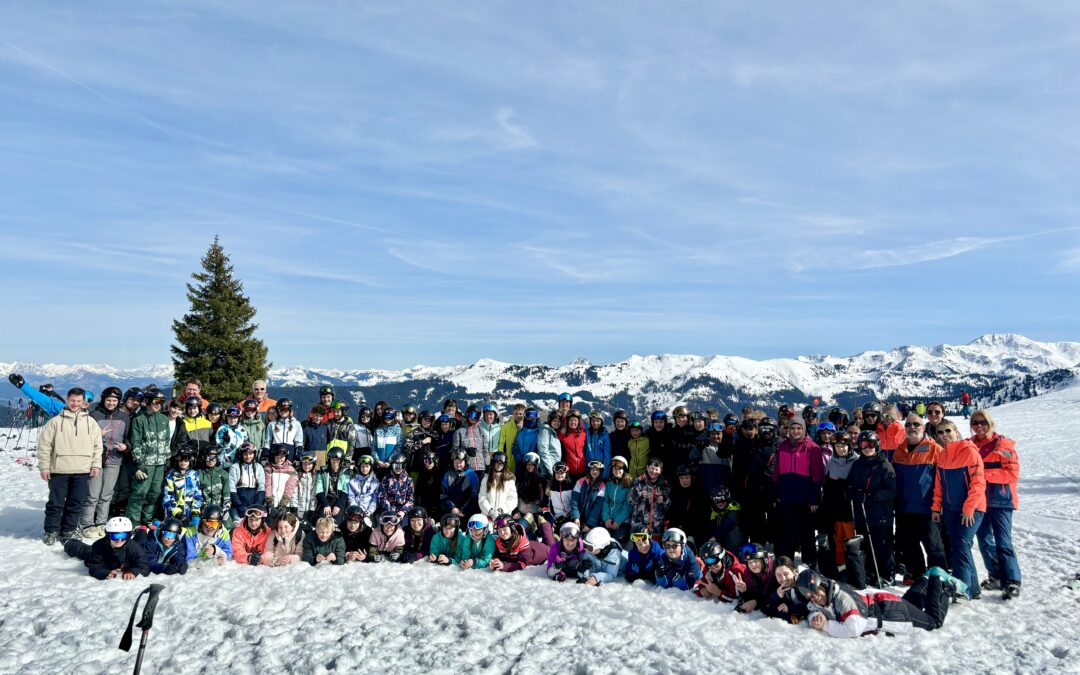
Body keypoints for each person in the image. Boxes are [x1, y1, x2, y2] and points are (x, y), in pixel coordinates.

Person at [797, 569, 950, 638]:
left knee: (933, 622)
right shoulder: (827, 595)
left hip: (894, 613)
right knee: (913, 604)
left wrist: (825, 625)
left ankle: (942, 582)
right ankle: (925, 580)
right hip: (885, 602)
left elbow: (853, 629)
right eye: (810, 595)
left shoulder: (842, 599)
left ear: (822, 586)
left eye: (816, 592)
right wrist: (815, 616)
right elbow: (813, 609)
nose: (815, 597)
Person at [37, 387, 103, 544]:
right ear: (67, 400)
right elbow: (44, 446)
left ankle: (69, 530)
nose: (75, 404)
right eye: (73, 400)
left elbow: (97, 446)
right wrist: (44, 467)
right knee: (56, 503)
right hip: (59, 469)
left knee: (76, 502)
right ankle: (52, 531)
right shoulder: (55, 422)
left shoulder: (90, 422)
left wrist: (96, 465)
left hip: (82, 469)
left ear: (83, 403)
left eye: (79, 401)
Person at [970, 410, 1022, 599]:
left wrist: (983, 476)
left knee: (1003, 541)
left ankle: (1012, 580)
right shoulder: (970, 445)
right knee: (984, 541)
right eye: (975, 423)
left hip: (1001, 499)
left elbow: (1011, 474)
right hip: (979, 500)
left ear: (990, 423)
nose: (979, 426)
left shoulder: (1003, 445)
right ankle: (996, 576)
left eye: (982, 422)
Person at [932, 420, 986, 600]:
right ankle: (973, 588)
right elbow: (939, 485)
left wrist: (969, 508)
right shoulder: (942, 455)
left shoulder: (970, 452)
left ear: (956, 431)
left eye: (948, 431)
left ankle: (962, 588)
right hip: (950, 509)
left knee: (962, 545)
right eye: (940, 433)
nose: (944, 435)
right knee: (959, 546)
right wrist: (936, 508)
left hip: (971, 509)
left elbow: (978, 483)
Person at [892, 414, 947, 583]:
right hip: (904, 508)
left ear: (923, 428)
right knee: (909, 543)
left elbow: (942, 480)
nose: (912, 427)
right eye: (908, 425)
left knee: (933, 545)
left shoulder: (935, 449)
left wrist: (938, 505)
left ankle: (939, 577)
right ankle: (916, 573)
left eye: (916, 424)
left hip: (928, 508)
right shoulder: (899, 450)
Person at [771, 417, 824, 568]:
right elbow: (776, 473)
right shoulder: (782, 447)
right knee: (788, 533)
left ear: (804, 429)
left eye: (799, 428)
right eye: (792, 428)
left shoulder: (813, 448)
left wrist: (814, 499)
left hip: (805, 500)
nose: (795, 431)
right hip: (787, 498)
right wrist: (775, 495)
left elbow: (817, 476)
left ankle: (810, 564)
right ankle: (787, 565)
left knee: (807, 534)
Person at [846, 430, 896, 587]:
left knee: (882, 545)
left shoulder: (884, 465)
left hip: (880, 514)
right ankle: (871, 571)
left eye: (871, 444)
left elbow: (891, 490)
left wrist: (872, 495)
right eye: (863, 445)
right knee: (866, 544)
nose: (867, 448)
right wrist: (854, 494)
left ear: (877, 445)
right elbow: (849, 486)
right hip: (862, 513)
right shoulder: (857, 465)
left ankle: (887, 573)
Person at [80, 387, 130, 539]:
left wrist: (126, 447)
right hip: (96, 459)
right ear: (103, 400)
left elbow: (127, 437)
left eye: (115, 400)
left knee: (107, 494)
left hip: (115, 459)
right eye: (108, 400)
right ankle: (87, 523)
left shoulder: (124, 417)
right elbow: (83, 438)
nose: (111, 403)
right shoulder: (94, 415)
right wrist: (97, 436)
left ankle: (102, 522)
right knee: (92, 494)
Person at [126, 392, 171, 526]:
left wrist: (167, 459)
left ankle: (146, 520)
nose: (158, 405)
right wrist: (139, 464)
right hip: (146, 463)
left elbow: (166, 440)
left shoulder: (163, 419)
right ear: (148, 402)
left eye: (161, 402)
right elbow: (136, 443)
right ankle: (133, 523)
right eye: (156, 401)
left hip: (160, 463)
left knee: (154, 493)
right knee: (140, 493)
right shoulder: (139, 420)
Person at [63, 516, 149, 580]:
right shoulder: (98, 546)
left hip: (123, 559)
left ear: (128, 536)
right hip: (103, 557)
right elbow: (95, 567)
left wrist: (133, 571)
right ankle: (69, 543)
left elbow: (144, 566)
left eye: (123, 535)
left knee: (140, 543)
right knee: (84, 551)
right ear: (108, 536)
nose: (119, 539)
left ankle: (141, 531)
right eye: (115, 536)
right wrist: (106, 573)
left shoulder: (134, 548)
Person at [821, 433, 857, 575]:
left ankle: (854, 565)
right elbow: (827, 484)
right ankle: (840, 564)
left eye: (843, 446)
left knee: (850, 539)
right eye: (837, 446)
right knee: (838, 538)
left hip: (849, 508)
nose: (841, 449)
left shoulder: (856, 461)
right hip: (835, 508)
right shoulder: (831, 461)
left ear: (848, 446)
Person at [666, 464, 711, 545]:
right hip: (677, 529)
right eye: (681, 478)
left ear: (692, 477)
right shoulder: (674, 492)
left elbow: (704, 516)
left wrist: (691, 533)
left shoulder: (700, 493)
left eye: (687, 477)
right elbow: (672, 513)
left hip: (695, 531)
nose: (684, 481)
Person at [490, 515, 555, 572]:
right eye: (499, 531)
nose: (502, 533)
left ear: (512, 528)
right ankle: (532, 530)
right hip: (531, 545)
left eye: (504, 529)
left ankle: (544, 523)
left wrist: (504, 566)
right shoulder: (499, 541)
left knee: (551, 547)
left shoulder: (522, 543)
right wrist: (495, 561)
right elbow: (497, 555)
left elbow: (521, 564)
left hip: (542, 551)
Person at [162, 448, 203, 526]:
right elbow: (167, 497)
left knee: (195, 526)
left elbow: (198, 495)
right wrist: (178, 514)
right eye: (181, 459)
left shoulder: (194, 475)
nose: (183, 462)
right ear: (177, 460)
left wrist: (195, 512)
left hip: (190, 514)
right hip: (174, 516)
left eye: (186, 459)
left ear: (190, 460)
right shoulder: (170, 476)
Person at [630, 458, 670, 538]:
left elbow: (669, 507)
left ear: (661, 470)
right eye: (651, 468)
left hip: (656, 527)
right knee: (639, 547)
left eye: (656, 469)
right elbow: (630, 501)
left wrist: (664, 500)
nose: (654, 471)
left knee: (654, 549)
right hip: (639, 525)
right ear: (647, 467)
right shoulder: (638, 481)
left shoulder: (665, 485)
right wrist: (639, 494)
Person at [229, 442, 267, 522]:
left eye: (250, 454)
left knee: (254, 524)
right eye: (245, 454)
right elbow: (232, 488)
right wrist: (239, 505)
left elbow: (261, 487)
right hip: (239, 499)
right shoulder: (234, 467)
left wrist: (258, 504)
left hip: (254, 499)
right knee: (240, 524)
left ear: (254, 454)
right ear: (241, 454)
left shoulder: (259, 467)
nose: (248, 456)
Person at [764, 556, 808, 624]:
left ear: (794, 571)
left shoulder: (804, 582)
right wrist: (777, 596)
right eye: (779, 575)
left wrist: (790, 607)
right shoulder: (775, 584)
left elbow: (809, 608)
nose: (783, 578)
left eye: (786, 574)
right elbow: (767, 607)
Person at [441, 449, 480, 518]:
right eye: (456, 462)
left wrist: (463, 510)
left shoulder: (471, 474)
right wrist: (452, 508)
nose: (458, 465)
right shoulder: (448, 474)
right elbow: (443, 495)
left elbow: (474, 495)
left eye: (461, 462)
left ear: (465, 462)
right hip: (451, 511)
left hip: (467, 512)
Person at [735, 545, 775, 613]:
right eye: (750, 562)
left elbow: (775, 596)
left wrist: (756, 602)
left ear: (764, 560)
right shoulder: (748, 572)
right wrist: (744, 591)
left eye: (756, 561)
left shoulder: (775, 571)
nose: (753, 565)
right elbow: (753, 594)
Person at [453, 405, 490, 479]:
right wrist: (466, 451)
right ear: (467, 414)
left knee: (480, 489)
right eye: (473, 415)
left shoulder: (481, 432)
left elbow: (485, 450)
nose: (475, 418)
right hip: (467, 467)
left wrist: (487, 464)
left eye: (477, 416)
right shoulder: (459, 432)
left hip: (481, 468)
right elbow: (454, 451)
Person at [601, 456, 632, 543]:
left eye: (620, 469)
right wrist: (606, 518)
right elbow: (606, 502)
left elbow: (628, 506)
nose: (617, 471)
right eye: (615, 468)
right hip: (609, 520)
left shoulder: (628, 485)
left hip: (622, 521)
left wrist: (618, 521)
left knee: (615, 541)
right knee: (603, 539)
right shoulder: (609, 484)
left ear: (624, 470)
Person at [478, 452, 517, 520]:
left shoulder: (509, 480)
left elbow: (513, 499)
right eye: (497, 463)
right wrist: (490, 511)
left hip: (503, 517)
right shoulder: (486, 479)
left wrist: (502, 511)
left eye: (501, 464)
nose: (499, 465)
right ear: (493, 463)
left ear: (504, 465)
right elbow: (482, 498)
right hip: (488, 516)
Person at [570, 460, 607, 533]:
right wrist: (576, 517)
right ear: (589, 470)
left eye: (597, 470)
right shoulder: (580, 482)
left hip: (592, 521)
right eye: (593, 469)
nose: (594, 472)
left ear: (600, 472)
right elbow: (574, 501)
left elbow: (598, 508)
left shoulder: (602, 486)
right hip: (578, 518)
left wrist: (589, 524)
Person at [707, 485, 744, 553]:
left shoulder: (734, 509)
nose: (720, 503)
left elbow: (727, 524)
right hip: (720, 547)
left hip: (735, 547)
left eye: (723, 500)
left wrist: (715, 537)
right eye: (717, 500)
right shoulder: (714, 512)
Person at [378, 454, 415, 518]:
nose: (397, 468)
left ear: (404, 466)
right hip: (388, 509)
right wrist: (388, 510)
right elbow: (382, 496)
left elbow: (411, 498)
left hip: (402, 511)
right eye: (395, 466)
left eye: (399, 466)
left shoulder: (408, 480)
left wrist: (403, 511)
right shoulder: (386, 478)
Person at [265, 444, 299, 512]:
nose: (279, 459)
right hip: (271, 504)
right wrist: (269, 503)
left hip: (284, 505)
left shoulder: (291, 470)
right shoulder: (268, 469)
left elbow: (289, 488)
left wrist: (283, 505)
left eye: (282, 457)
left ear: (286, 457)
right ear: (274, 457)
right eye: (277, 457)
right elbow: (267, 486)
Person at [559, 410, 588, 480]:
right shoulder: (562, 435)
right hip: (568, 472)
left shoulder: (583, 434)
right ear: (567, 422)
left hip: (583, 471)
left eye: (575, 420)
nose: (573, 422)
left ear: (579, 422)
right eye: (570, 420)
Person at [374, 408, 403, 474]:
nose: (387, 419)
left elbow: (399, 447)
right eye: (385, 417)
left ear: (394, 417)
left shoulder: (398, 430)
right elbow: (374, 446)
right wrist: (377, 460)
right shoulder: (378, 430)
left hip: (391, 465)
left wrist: (390, 461)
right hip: (379, 464)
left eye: (390, 417)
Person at [294, 452, 320, 525]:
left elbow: (314, 493)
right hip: (299, 509)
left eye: (309, 464)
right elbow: (294, 493)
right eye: (304, 463)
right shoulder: (297, 474)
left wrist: (312, 508)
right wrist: (295, 508)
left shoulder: (316, 476)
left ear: (314, 464)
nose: (307, 466)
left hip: (310, 510)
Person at [500, 404, 527, 472]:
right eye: (516, 413)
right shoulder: (506, 427)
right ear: (513, 414)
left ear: (524, 414)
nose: (518, 415)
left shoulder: (527, 427)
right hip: (509, 462)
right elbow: (501, 444)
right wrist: (501, 458)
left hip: (524, 461)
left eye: (520, 414)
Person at [536, 411, 563, 478]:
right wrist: (551, 470)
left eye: (558, 421)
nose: (556, 423)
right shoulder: (545, 431)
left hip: (553, 469)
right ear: (550, 421)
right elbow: (543, 452)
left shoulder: (553, 432)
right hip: (546, 472)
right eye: (554, 421)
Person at [585, 412, 611, 478]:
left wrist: (605, 473)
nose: (595, 423)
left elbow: (607, 455)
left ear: (601, 422)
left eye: (598, 421)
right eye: (593, 420)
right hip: (590, 468)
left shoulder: (605, 435)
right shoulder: (587, 433)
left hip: (601, 469)